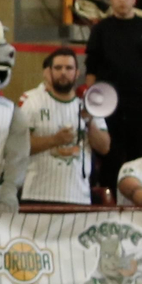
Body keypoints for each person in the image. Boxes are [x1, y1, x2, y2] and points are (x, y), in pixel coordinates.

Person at [85, 0, 142, 185]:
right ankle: (108, 197)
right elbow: (91, 70)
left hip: (139, 105)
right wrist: (92, 104)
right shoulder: (100, 30)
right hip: (106, 107)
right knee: (109, 159)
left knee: (139, 158)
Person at [18, 48, 108, 205]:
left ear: (77, 73)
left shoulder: (89, 106)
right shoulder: (32, 102)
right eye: (58, 68)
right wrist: (54, 140)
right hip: (37, 194)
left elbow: (104, 147)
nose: (63, 73)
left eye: (69, 68)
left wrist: (89, 121)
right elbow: (18, 146)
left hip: (78, 196)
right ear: (49, 72)